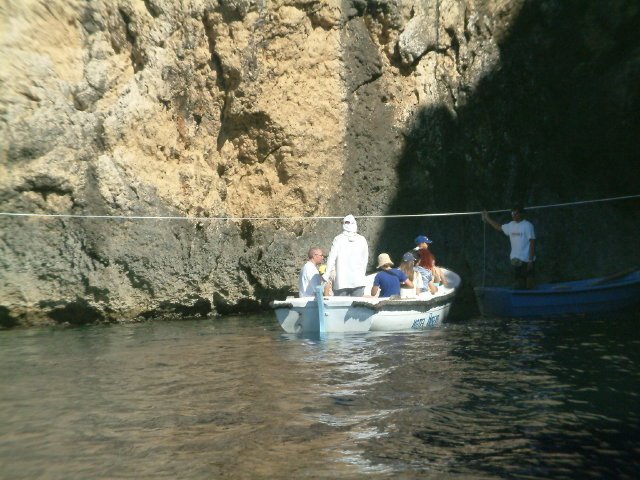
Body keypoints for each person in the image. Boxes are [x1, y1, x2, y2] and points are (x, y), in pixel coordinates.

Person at [482, 205, 536, 289]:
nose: (513, 215)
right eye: (512, 213)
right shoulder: (510, 225)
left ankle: (531, 298)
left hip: (526, 259)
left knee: (529, 284)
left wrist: (530, 260)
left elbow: (532, 243)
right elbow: (498, 227)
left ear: (521, 214)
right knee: (519, 283)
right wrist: (487, 217)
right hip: (516, 260)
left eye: (515, 213)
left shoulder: (528, 225)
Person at [323, 214, 369, 296]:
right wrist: (362, 274)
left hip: (342, 281)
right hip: (358, 280)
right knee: (357, 306)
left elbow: (331, 258)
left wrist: (327, 274)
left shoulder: (338, 239)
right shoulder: (362, 239)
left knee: (340, 307)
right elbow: (365, 260)